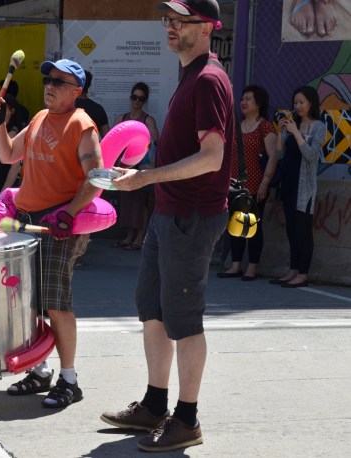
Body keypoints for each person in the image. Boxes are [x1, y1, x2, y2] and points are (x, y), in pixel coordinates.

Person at [100, 1, 234, 452]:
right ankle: (155, 406)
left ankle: (188, 419)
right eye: (168, 20)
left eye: (180, 20)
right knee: (152, 311)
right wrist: (147, 181)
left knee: (184, 319)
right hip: (168, 213)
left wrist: (147, 176)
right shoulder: (189, 75)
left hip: (191, 218)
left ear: (208, 26)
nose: (170, 27)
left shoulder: (210, 79)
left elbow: (212, 157)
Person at [0, 59, 103, 408]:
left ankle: (70, 380)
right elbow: (7, 154)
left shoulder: (82, 125)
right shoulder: (38, 118)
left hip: (57, 227)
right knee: (27, 304)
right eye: (47, 79)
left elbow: (97, 177)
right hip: (26, 222)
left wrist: (68, 214)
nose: (49, 85)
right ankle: (41, 370)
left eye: (59, 81)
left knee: (55, 302)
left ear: (76, 91)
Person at [217, 85, 278, 281]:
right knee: (234, 225)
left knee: (253, 228)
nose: (243, 102)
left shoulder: (266, 127)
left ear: (258, 103)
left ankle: (252, 267)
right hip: (234, 186)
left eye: (248, 99)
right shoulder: (235, 126)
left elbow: (273, 157)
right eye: (242, 99)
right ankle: (235, 265)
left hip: (255, 186)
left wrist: (264, 184)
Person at [270, 86, 325, 288]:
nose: (298, 106)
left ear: (311, 102)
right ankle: (293, 270)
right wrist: (282, 132)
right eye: (295, 103)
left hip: (305, 188)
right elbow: (279, 155)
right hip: (289, 184)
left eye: (301, 102)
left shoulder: (319, 126)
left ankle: (303, 273)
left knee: (303, 230)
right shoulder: (292, 126)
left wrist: (296, 133)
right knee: (291, 230)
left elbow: (311, 156)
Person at [112, 82, 159, 251]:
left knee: (142, 203)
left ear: (145, 101)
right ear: (130, 98)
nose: (137, 101)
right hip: (124, 166)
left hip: (142, 168)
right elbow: (114, 142)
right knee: (128, 203)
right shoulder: (121, 119)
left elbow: (155, 142)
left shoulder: (148, 120)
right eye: (134, 97)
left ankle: (140, 237)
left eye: (141, 98)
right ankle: (129, 236)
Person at [75, 70, 110, 137]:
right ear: (89, 85)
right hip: (91, 146)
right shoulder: (98, 109)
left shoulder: (67, 105)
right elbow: (107, 137)